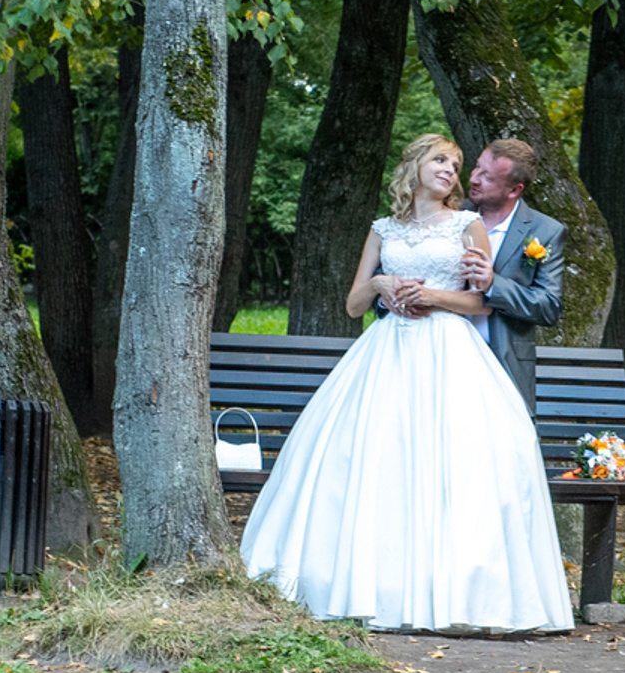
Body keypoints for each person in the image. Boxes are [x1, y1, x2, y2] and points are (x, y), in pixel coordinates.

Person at [240, 132, 574, 632]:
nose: (456, 173)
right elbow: (354, 305)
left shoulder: (467, 225)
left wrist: (433, 297)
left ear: (514, 188)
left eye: (458, 165)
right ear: (415, 164)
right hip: (387, 352)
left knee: (454, 465)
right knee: (375, 458)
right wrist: (381, 285)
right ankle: (368, 585)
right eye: (443, 161)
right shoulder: (383, 229)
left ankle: (452, 592)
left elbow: (482, 302)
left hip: (451, 352)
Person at [456, 136, 565, 410]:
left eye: (488, 177)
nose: (474, 178)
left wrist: (493, 285)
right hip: (444, 354)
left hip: (503, 364)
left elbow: (549, 306)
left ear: (515, 190)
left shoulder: (545, 231)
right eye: (477, 167)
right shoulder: (450, 216)